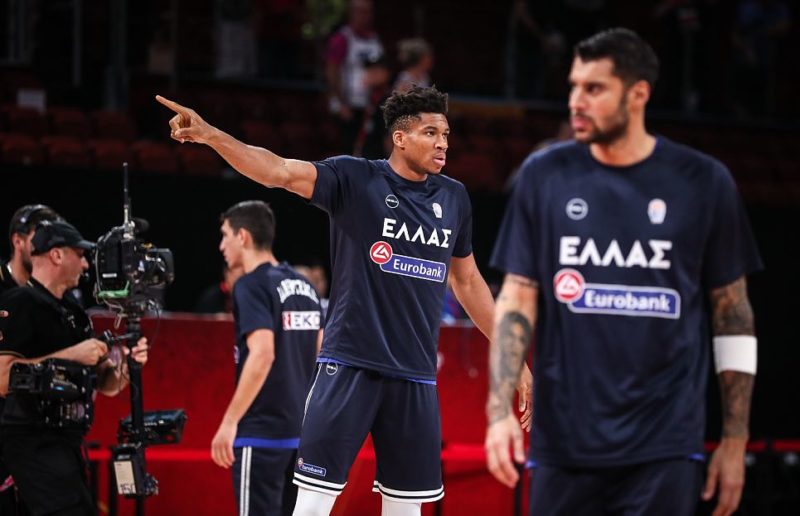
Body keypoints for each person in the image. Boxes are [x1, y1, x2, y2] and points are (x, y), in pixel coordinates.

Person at [156, 85, 532, 516]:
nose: (443, 143)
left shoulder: (454, 197)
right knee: (312, 507)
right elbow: (278, 171)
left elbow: (468, 281)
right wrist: (211, 135)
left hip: (415, 376)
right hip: (349, 365)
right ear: (400, 138)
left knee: (406, 511)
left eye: (446, 134)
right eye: (431, 133)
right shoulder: (355, 178)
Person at [485, 28, 763, 516]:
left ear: (638, 94)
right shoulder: (543, 175)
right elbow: (517, 298)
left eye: (594, 88)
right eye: (574, 86)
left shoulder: (702, 181)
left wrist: (735, 440)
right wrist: (497, 411)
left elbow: (733, 315)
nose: (576, 101)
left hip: (665, 445)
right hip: (564, 442)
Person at [0, 220, 149, 514]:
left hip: (70, 443)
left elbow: (106, 385)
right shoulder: (19, 303)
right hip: (31, 445)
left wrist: (126, 361)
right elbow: (2, 377)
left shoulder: (75, 312)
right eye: (79, 255)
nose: (85, 265)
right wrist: (73, 355)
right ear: (56, 255)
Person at [211, 200, 323, 515]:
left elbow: (262, 354)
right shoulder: (305, 286)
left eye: (225, 235)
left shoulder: (250, 285)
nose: (222, 246)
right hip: (301, 437)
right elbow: (322, 355)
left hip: (261, 435)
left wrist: (229, 422)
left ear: (243, 236)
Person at [0, 203, 62, 513]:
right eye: (39, 237)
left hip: (39, 435)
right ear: (18, 241)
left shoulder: (58, 297)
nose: (46, 247)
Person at [324, 0, 384, 154]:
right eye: (360, 11)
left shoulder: (374, 39)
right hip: (348, 106)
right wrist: (341, 103)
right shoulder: (342, 39)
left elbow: (382, 70)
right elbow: (332, 71)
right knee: (348, 151)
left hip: (370, 106)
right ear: (351, 13)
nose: (364, 16)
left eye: (367, 12)